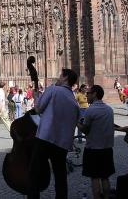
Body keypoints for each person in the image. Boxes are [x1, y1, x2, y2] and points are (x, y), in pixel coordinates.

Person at [28, 68, 80, 199]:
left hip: (45, 138)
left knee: (35, 172)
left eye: (60, 75)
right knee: (60, 175)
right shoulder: (75, 102)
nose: (58, 78)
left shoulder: (53, 90)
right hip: (62, 143)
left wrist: (35, 97)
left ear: (65, 78)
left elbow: (39, 109)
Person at [77, 85, 115, 199]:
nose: (86, 95)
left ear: (94, 94)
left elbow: (85, 130)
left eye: (88, 93)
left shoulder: (90, 110)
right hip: (107, 148)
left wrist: (76, 122)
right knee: (105, 177)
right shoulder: (109, 109)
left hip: (93, 148)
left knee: (95, 177)